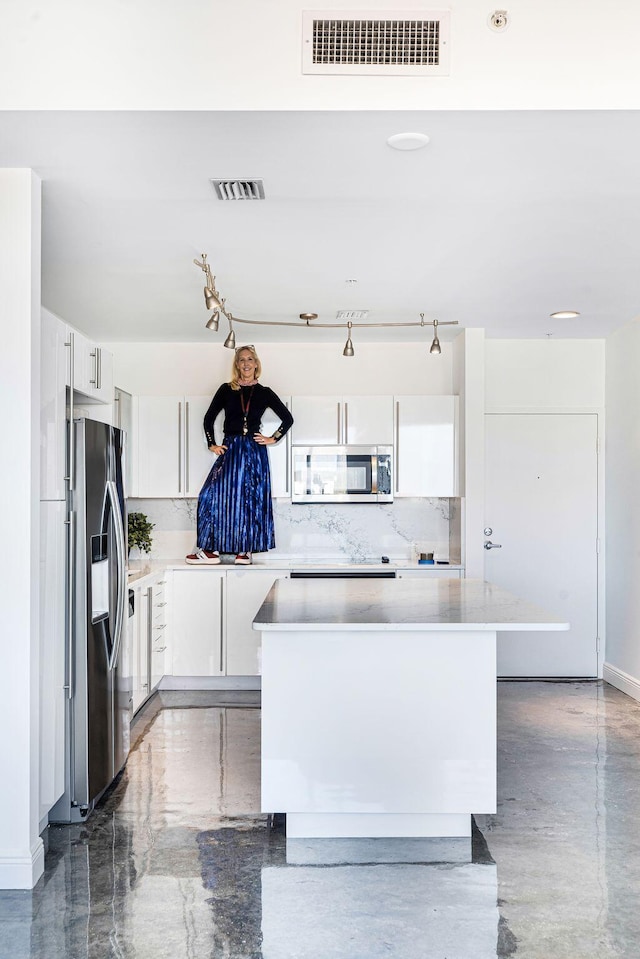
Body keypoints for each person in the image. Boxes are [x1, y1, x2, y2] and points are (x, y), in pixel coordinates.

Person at [186, 345, 293, 565]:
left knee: (250, 498)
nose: (246, 363)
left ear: (256, 364)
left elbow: (287, 418)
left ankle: (245, 551)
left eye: (250, 359)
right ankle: (210, 551)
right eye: (242, 359)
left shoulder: (264, 392)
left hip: (254, 449)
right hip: (231, 446)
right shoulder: (226, 389)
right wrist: (212, 444)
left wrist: (273, 438)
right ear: (237, 364)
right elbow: (208, 418)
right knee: (210, 495)